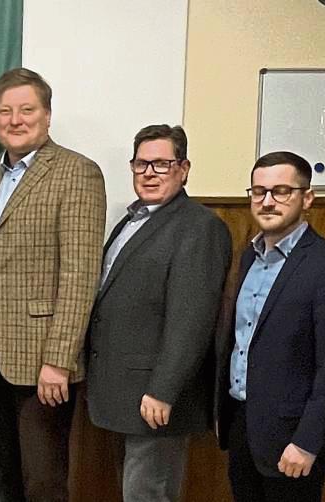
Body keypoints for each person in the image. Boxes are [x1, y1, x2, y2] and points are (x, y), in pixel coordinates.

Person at [0, 67, 106, 502]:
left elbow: (80, 274)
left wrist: (59, 360)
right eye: (5, 111)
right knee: (6, 475)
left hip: (44, 361)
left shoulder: (77, 173)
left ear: (47, 115)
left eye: (27, 109)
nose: (15, 120)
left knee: (43, 482)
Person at [85, 125, 232, 502]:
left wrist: (163, 389)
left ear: (183, 169)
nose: (149, 173)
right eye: (141, 164)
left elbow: (192, 319)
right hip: (122, 393)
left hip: (156, 396)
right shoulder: (132, 220)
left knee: (148, 494)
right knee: (136, 491)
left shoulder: (200, 227)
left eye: (161, 164)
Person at [215, 151, 325, 502]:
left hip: (293, 440)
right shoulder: (248, 257)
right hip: (243, 425)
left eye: (281, 191)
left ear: (307, 198)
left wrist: (307, 442)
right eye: (258, 191)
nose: (267, 201)